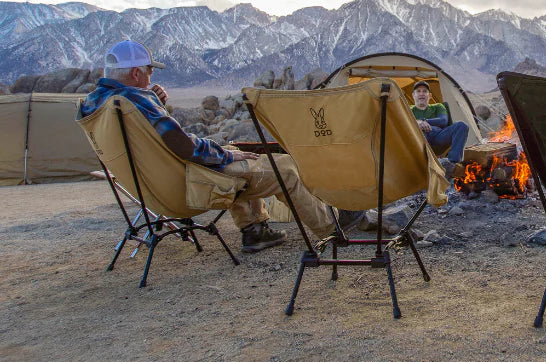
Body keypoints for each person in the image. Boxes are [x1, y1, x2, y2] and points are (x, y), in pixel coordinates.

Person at [80, 40, 362, 253]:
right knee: (284, 167)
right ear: (135, 74)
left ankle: (255, 230)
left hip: (153, 189)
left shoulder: (97, 104)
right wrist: (226, 155)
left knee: (234, 152)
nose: (151, 77)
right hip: (187, 187)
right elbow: (183, 146)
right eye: (149, 72)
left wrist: (158, 104)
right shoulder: (137, 101)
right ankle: (331, 226)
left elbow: (152, 142)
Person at [409, 80, 468, 178]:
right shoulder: (409, 110)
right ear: (413, 95)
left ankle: (452, 163)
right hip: (420, 140)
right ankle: (424, 167)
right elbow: (405, 123)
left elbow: (443, 121)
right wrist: (417, 123)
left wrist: (423, 121)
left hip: (439, 137)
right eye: (418, 91)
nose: (421, 94)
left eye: (424, 91)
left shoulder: (438, 106)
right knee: (419, 130)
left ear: (430, 96)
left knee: (462, 125)